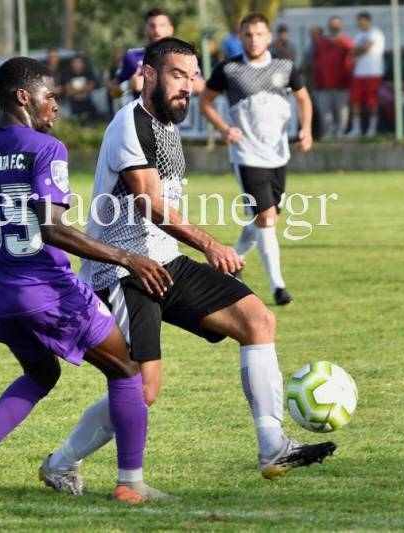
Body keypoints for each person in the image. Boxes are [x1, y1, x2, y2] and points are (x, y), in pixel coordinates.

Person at [38, 37, 335, 495]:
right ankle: (61, 464)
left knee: (257, 320)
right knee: (142, 390)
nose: (189, 87)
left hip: (165, 262)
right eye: (178, 75)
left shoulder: (167, 125)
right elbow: (150, 204)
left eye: (193, 77)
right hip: (122, 272)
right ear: (149, 74)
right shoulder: (129, 124)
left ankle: (272, 445)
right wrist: (209, 244)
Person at [0, 57, 175, 504]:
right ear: (24, 97)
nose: (56, 105)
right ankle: (130, 483)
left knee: (41, 372)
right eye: (50, 95)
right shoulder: (46, 148)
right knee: (127, 369)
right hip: (45, 291)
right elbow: (53, 229)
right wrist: (128, 258)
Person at [200, 13, 313, 306]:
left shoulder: (285, 67)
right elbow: (205, 101)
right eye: (248, 35)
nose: (254, 40)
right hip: (247, 155)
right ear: (240, 37)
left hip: (278, 154)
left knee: (266, 218)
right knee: (266, 218)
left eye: (259, 34)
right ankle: (278, 287)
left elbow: (303, 98)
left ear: (269, 36)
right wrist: (224, 129)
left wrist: (306, 129)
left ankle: (232, 261)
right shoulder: (228, 69)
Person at [114, 8, 204, 101]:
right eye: (152, 26)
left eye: (162, 25)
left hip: (177, 109)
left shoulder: (184, 55)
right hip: (143, 110)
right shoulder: (131, 56)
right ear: (145, 29)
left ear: (171, 29)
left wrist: (167, 81)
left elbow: (202, 86)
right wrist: (128, 85)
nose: (157, 30)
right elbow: (113, 92)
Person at [313, 17, 354, 140]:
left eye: (337, 25)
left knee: (341, 110)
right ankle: (328, 133)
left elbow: (352, 59)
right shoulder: (321, 43)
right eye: (332, 25)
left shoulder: (346, 42)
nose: (334, 27)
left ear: (341, 26)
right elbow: (315, 61)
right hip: (323, 83)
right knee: (325, 110)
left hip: (342, 83)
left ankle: (340, 133)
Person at [346, 12, 385, 139]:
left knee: (372, 101)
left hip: (373, 72)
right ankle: (356, 129)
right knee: (355, 100)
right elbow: (353, 52)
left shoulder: (376, 33)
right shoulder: (358, 35)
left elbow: (364, 49)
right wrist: (359, 50)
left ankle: (372, 129)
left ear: (367, 20)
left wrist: (359, 50)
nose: (358, 23)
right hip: (359, 73)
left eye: (360, 21)